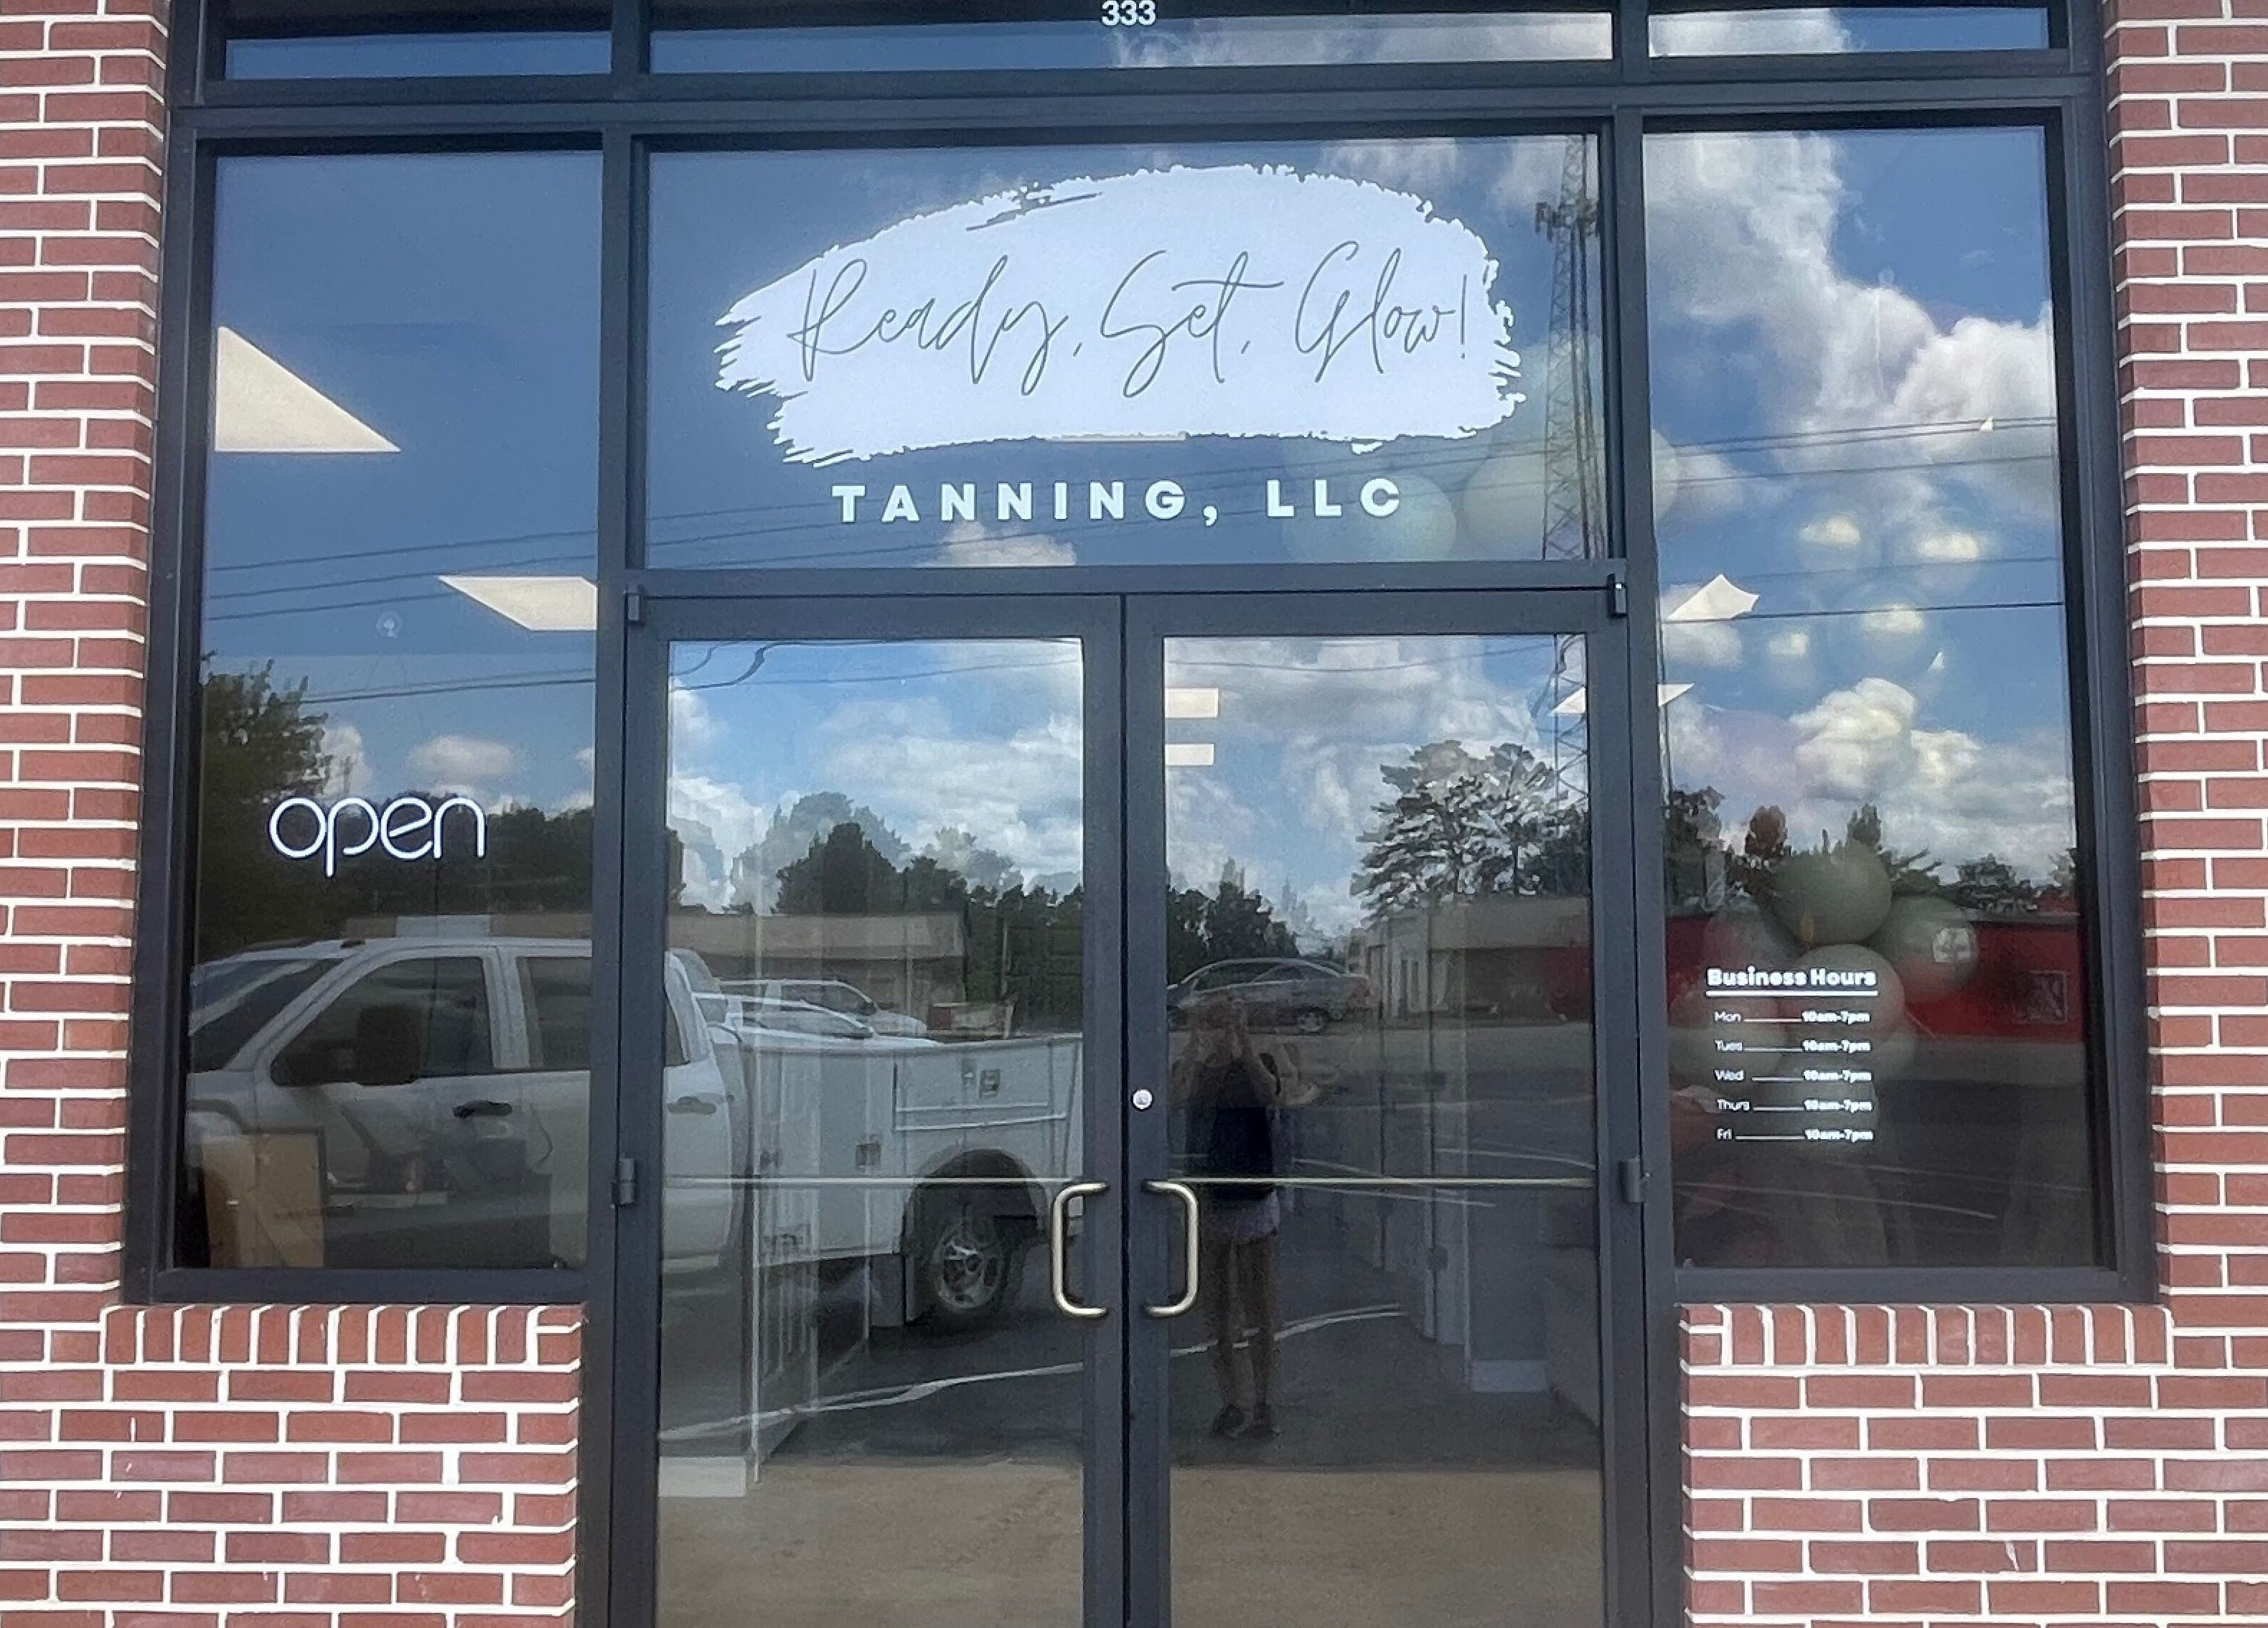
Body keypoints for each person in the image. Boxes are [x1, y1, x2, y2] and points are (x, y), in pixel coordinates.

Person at [1172, 994, 1294, 1441]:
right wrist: (1192, 1049)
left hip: (1253, 1190)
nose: (1216, 1031)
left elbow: (1271, 1095)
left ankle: (1263, 1400)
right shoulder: (1196, 1069)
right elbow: (1176, 1097)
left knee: (1259, 1303)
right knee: (1217, 1307)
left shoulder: (1257, 1062)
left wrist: (1244, 1043)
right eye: (1210, 1023)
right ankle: (1231, 1400)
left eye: (1222, 1022)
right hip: (1208, 1195)